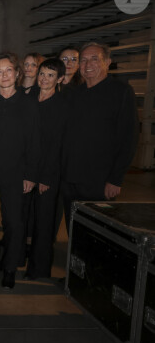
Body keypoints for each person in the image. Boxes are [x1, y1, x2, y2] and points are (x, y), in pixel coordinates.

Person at [0, 52, 40, 289]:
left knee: (15, 223)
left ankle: (10, 267)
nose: (4, 75)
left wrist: (31, 175)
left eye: (8, 70)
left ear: (17, 73)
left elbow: (34, 142)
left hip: (16, 174)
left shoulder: (29, 105)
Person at [61, 42, 139, 229]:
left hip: (99, 180)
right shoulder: (73, 94)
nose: (88, 64)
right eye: (84, 60)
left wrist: (115, 178)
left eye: (94, 59)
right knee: (74, 226)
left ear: (108, 62)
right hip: (69, 178)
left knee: (97, 229)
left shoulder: (121, 92)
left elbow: (128, 138)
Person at [23, 59, 68, 280]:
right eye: (42, 73)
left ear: (60, 79)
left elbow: (57, 145)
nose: (44, 78)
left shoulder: (61, 105)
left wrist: (45, 177)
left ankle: (39, 270)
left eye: (50, 75)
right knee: (25, 219)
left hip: (46, 174)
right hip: (25, 170)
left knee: (43, 224)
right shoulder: (29, 97)